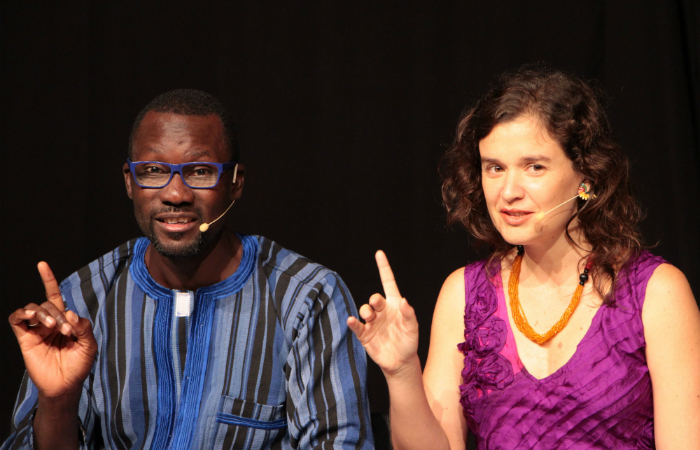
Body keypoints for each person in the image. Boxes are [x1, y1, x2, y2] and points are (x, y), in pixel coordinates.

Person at [347, 67, 700, 449]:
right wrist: (401, 372)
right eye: (495, 168)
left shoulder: (657, 294)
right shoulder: (463, 294)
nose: (509, 191)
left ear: (587, 177)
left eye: (535, 167)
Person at [5, 89, 373, 450]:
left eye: (199, 171)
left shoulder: (306, 297)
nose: (175, 194)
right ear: (130, 182)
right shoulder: (82, 302)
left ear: (236, 183)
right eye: (152, 170)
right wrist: (58, 402)